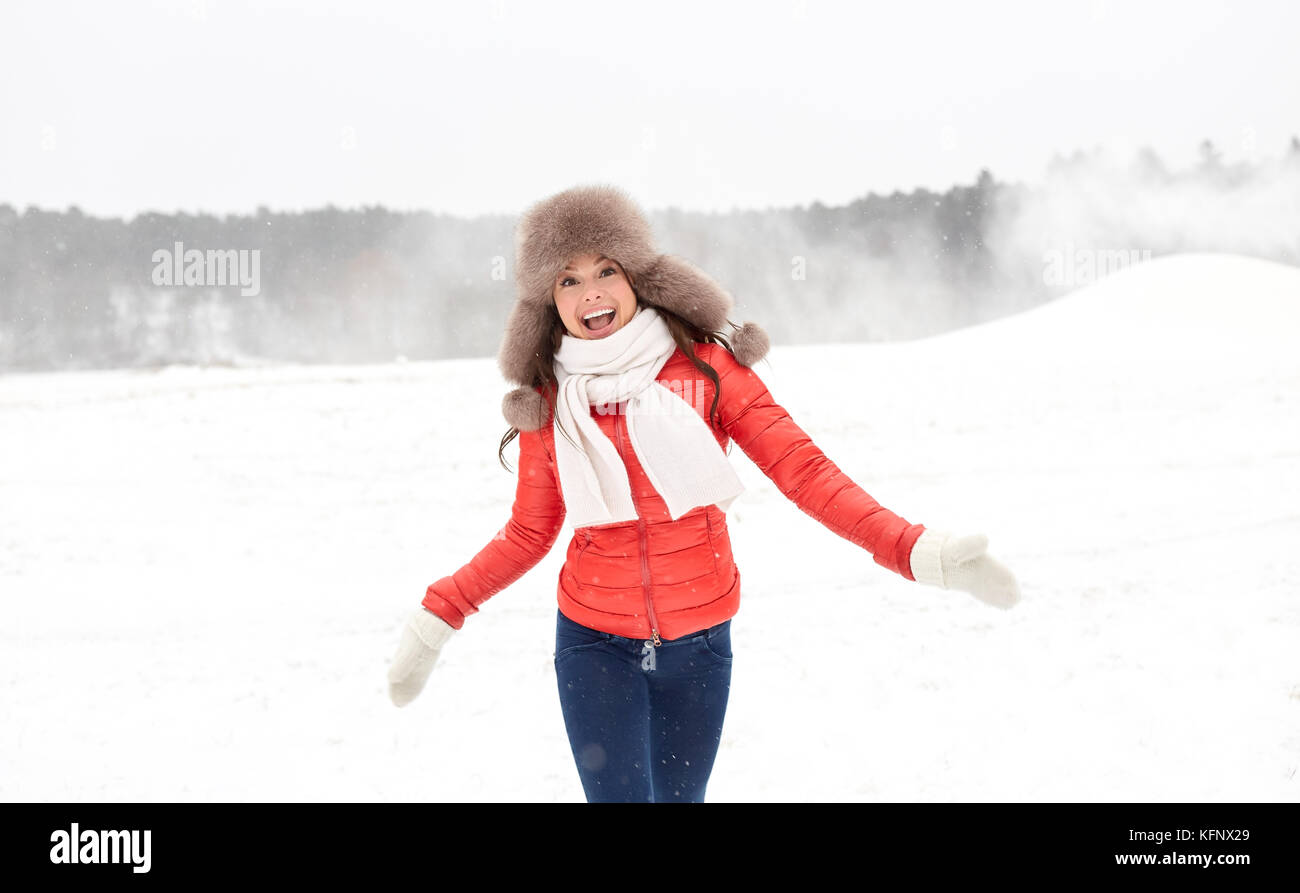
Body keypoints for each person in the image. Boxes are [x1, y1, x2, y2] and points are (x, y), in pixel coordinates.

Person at [386, 184, 1021, 802]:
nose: (592, 291)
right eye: (568, 279)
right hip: (593, 644)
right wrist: (438, 615)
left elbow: (806, 473)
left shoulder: (711, 372)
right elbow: (528, 533)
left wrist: (917, 551)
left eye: (606, 268)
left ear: (637, 276)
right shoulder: (551, 406)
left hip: (700, 643)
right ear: (550, 304)